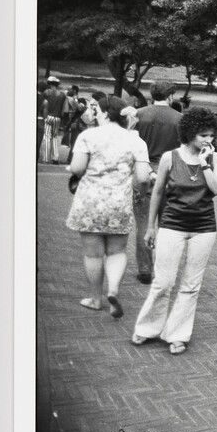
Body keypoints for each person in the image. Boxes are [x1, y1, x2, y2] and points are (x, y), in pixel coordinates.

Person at [132, 107, 217, 355]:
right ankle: (147, 328)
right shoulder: (169, 158)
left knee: (191, 285)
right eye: (203, 135)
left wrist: (205, 164)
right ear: (190, 133)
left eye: (211, 135)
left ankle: (177, 334)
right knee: (163, 281)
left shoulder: (214, 159)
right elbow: (158, 192)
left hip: (204, 228)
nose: (209, 140)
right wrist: (151, 226)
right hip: (172, 224)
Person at [65, 96, 151, 316]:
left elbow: (77, 168)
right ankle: (113, 290)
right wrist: (140, 194)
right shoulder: (136, 141)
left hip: (90, 202)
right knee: (117, 251)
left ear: (103, 113)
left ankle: (95, 298)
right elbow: (143, 177)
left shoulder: (88, 136)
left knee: (93, 254)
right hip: (119, 203)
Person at [133, 81, 182, 285]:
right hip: (170, 173)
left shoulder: (139, 114)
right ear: (170, 96)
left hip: (144, 170)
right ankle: (164, 269)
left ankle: (145, 269)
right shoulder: (179, 119)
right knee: (167, 226)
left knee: (144, 223)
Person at [42, 76, 68, 164]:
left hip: (48, 116)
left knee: (47, 137)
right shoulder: (62, 94)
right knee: (54, 138)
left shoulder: (46, 93)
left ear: (49, 83)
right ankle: (55, 157)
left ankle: (46, 158)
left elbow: (44, 105)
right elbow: (64, 109)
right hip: (57, 118)